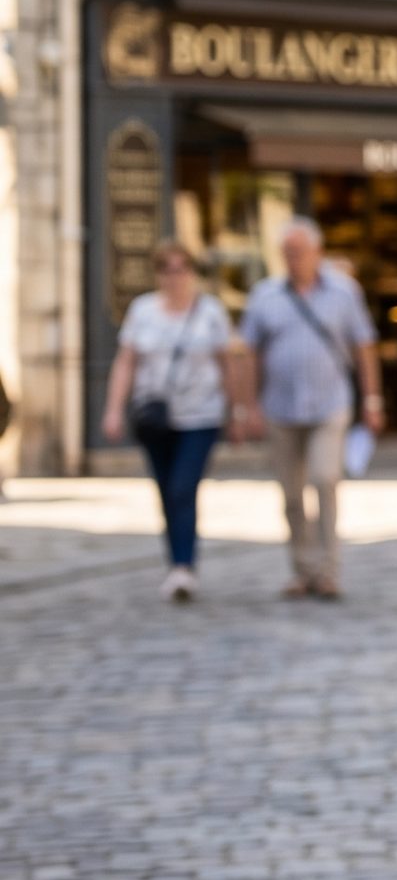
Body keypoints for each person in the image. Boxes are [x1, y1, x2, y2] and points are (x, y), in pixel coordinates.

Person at [238, 218, 382, 600]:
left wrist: (372, 399)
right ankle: (302, 570)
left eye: (298, 252)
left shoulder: (344, 292)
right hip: (279, 409)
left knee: (324, 479)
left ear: (317, 253)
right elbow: (249, 353)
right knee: (290, 494)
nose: (292, 259)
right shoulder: (264, 295)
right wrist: (247, 405)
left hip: (329, 405)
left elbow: (364, 347)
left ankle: (329, 570)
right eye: (287, 253)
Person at [100, 242, 249, 601]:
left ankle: (184, 565)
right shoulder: (143, 311)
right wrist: (114, 408)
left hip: (201, 415)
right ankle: (178, 563)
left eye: (182, 268)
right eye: (166, 268)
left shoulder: (210, 312)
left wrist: (238, 410)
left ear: (193, 273)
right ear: (158, 274)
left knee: (184, 487)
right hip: (155, 416)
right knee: (167, 491)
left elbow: (227, 363)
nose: (175, 276)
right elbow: (127, 362)